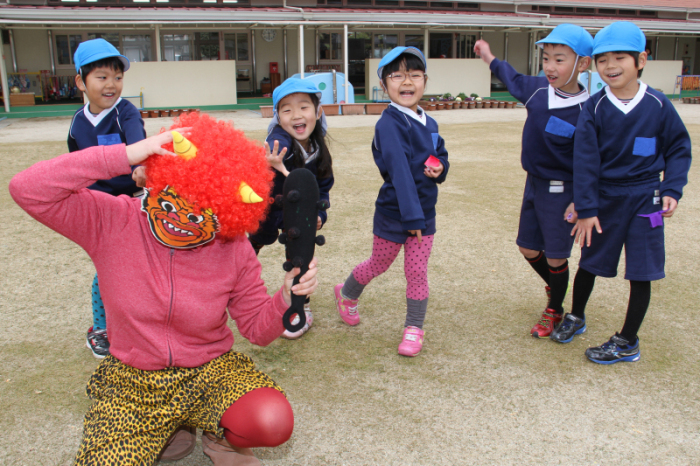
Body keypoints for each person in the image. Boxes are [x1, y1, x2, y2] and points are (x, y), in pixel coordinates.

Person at [9, 112, 319, 465]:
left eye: (204, 213)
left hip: (210, 372)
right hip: (133, 381)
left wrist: (286, 296)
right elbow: (27, 188)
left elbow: (256, 329)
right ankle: (173, 427)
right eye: (176, 201)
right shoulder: (111, 220)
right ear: (160, 178)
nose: (183, 219)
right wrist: (124, 155)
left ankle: (219, 438)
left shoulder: (232, 247)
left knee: (270, 420)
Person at [555, 22, 692, 364]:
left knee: (641, 270)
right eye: (603, 60)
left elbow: (678, 148)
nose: (611, 66)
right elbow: (585, 161)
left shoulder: (659, 105)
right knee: (590, 260)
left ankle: (628, 340)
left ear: (641, 60)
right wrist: (586, 207)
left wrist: (672, 187)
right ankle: (576, 315)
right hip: (605, 198)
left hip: (647, 198)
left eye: (620, 58)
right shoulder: (595, 107)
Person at [473, 24, 593, 338]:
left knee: (556, 254)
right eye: (547, 58)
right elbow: (510, 76)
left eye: (560, 60)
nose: (550, 67)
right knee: (527, 247)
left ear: (582, 64)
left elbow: (590, 161)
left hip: (563, 191)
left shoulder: (588, 111)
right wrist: (488, 56)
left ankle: (554, 309)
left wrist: (581, 199)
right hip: (534, 184)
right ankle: (555, 286)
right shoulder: (538, 90)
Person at [333, 46, 449, 357]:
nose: (406, 81)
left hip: (424, 214)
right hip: (394, 214)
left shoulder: (429, 122)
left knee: (416, 271)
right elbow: (399, 173)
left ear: (425, 81)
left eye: (414, 74)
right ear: (384, 86)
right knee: (379, 264)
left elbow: (439, 154)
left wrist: (440, 169)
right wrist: (412, 220)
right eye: (397, 76)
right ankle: (346, 294)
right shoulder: (388, 124)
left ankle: (414, 327)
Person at [68, 38, 147, 358]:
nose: (112, 84)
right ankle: (101, 328)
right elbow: (73, 165)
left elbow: (139, 142)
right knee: (108, 266)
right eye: (101, 77)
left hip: (132, 202)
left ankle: (137, 320)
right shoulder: (78, 122)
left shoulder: (126, 112)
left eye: (117, 77)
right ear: (81, 82)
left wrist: (141, 164)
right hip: (98, 207)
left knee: (140, 264)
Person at [250, 78, 334, 340]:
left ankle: (301, 307)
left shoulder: (318, 149)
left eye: (304, 107)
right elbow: (274, 149)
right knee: (250, 248)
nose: (296, 115)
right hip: (268, 210)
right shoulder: (279, 142)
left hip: (298, 216)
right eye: (286, 110)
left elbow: (322, 188)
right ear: (278, 117)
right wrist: (273, 162)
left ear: (318, 112)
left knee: (301, 260)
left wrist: (320, 214)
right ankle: (231, 285)